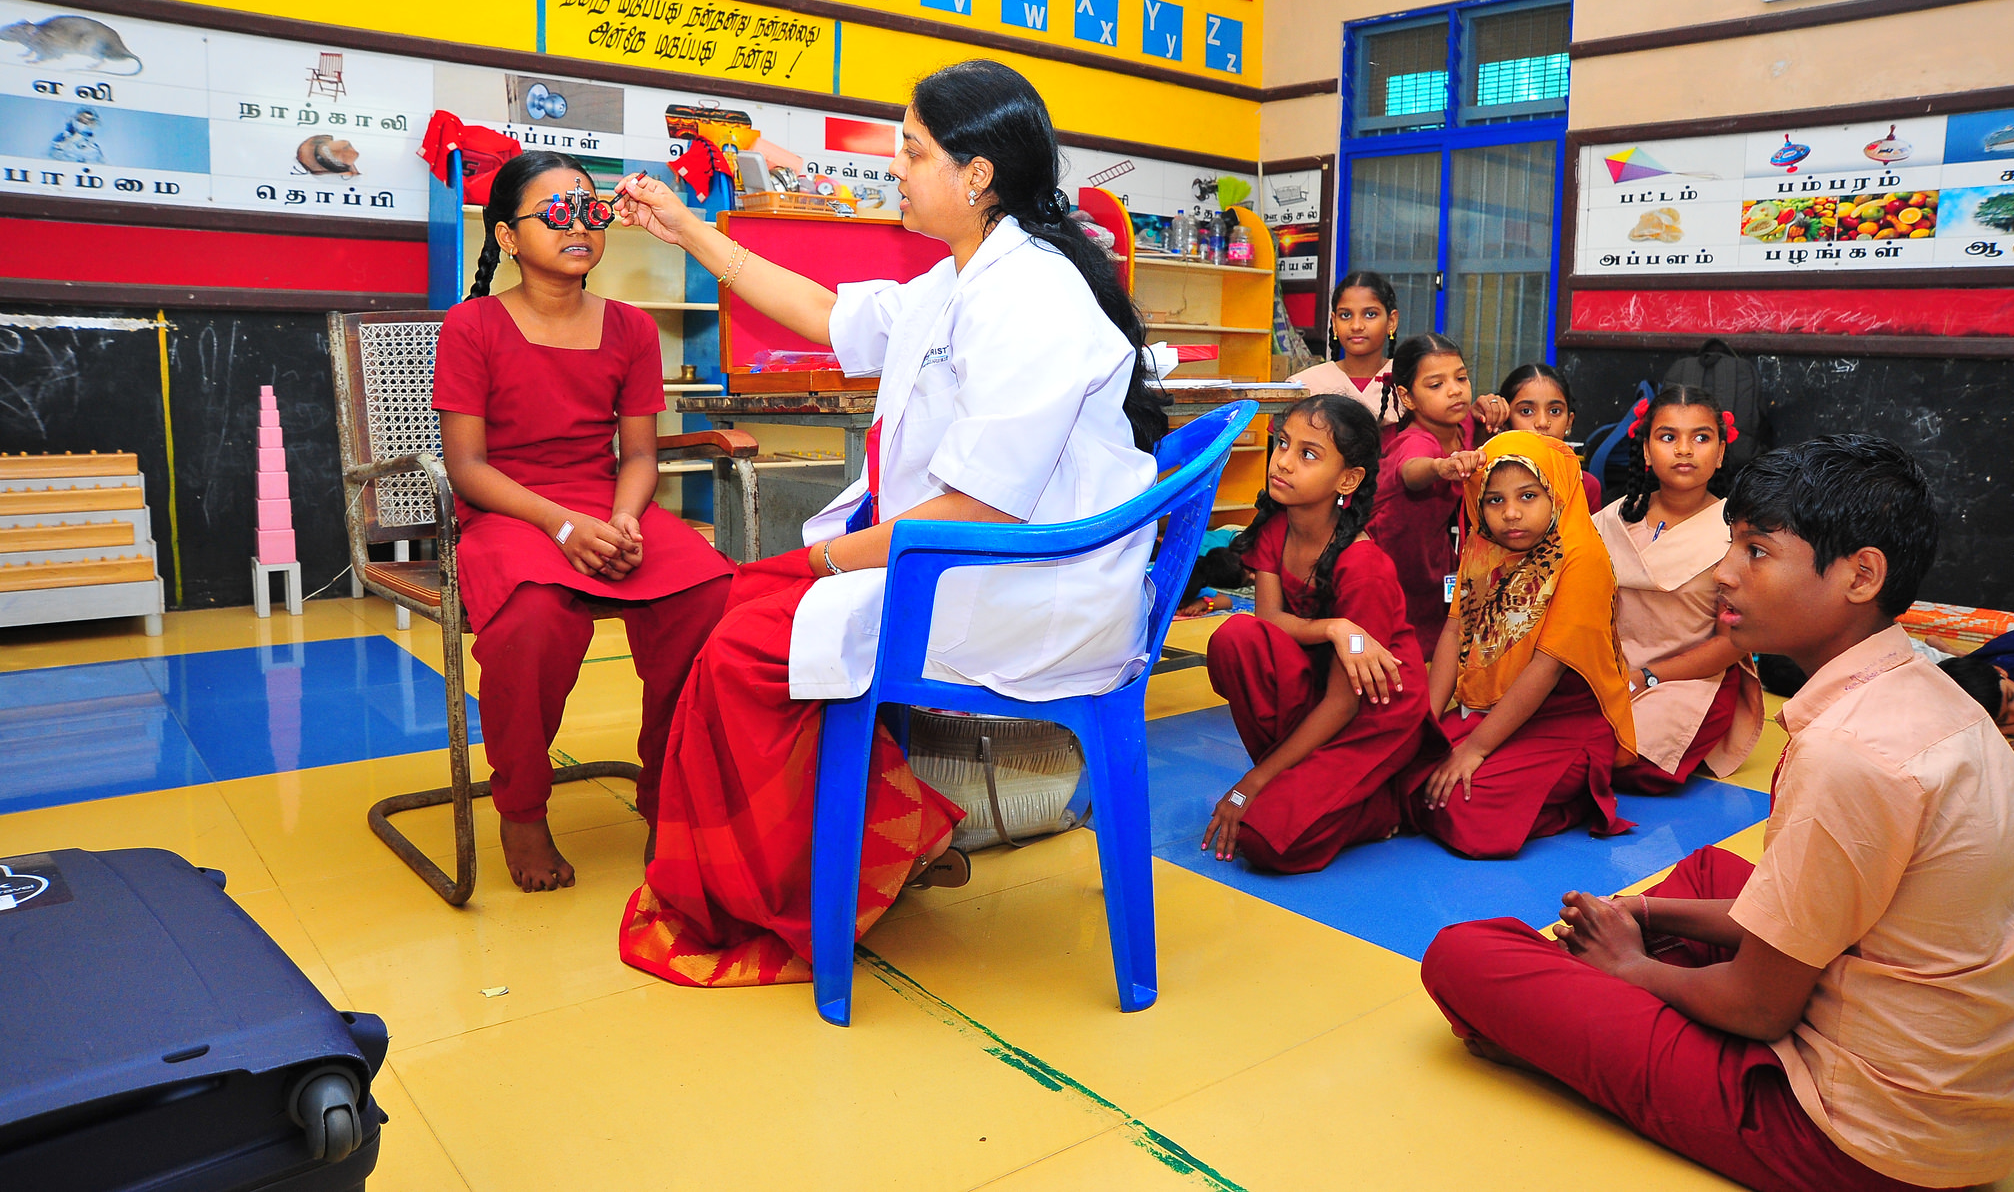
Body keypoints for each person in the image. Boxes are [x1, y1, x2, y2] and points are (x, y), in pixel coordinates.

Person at [614, 60, 1167, 988]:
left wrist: (822, 559)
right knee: (729, 610)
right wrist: (690, 229)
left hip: (1005, 574)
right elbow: (827, 312)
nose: (896, 170)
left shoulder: (1030, 297)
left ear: (976, 175)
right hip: (950, 552)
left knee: (742, 638)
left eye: (911, 152)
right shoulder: (962, 279)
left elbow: (978, 507)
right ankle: (874, 841)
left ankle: (802, 883)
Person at [1419, 434, 2014, 1192]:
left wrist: (1632, 965)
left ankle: (1579, 999)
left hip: (1853, 1136)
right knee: (1706, 871)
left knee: (1466, 956)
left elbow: (1758, 1009)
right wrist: (1649, 911)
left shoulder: (1849, 753)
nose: (1723, 574)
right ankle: (1610, 965)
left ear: (1861, 574)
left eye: (1756, 552)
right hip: (1966, 1110)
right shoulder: (1932, 690)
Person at [431, 151, 734, 893]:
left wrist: (625, 520)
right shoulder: (472, 326)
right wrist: (561, 526)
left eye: (592, 210)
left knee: (709, 595)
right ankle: (523, 808)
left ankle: (669, 787)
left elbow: (638, 454)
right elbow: (467, 467)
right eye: (556, 212)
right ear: (506, 235)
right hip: (509, 510)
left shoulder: (630, 326)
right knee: (535, 618)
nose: (579, 224)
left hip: (606, 501)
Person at [1199, 395, 1439, 872]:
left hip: (1373, 716)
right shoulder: (1276, 527)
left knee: (1264, 843)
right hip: (1318, 686)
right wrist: (1333, 627)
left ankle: (1379, 804)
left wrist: (1251, 784)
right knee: (1234, 639)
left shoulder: (1363, 565)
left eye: (1308, 454)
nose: (1283, 462)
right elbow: (1267, 620)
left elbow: (1345, 702)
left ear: (1347, 480)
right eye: (1283, 444)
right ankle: (1302, 786)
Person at [1400, 431, 1637, 858]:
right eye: (1494, 500)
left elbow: (1547, 667)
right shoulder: (1483, 547)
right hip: (1498, 709)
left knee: (1464, 810)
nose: (1511, 514)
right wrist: (1427, 728)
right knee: (1406, 770)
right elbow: (1455, 634)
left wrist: (1474, 749)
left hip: (1566, 721)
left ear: (1556, 492)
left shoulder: (1583, 558)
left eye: (1528, 496)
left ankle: (1575, 798)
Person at [1593, 385, 1763, 794]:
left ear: (1721, 452)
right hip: (1609, 673)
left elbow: (1732, 644)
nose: (1684, 449)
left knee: (1616, 757)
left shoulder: (1737, 535)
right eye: (1668, 437)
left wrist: (1646, 677)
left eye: (1701, 438)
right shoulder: (1610, 521)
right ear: (1647, 451)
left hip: (1689, 680)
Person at [1365, 334, 1507, 657]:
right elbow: (1411, 471)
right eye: (1436, 385)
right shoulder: (1416, 440)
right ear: (1407, 397)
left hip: (1440, 564)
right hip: (1396, 568)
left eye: (1460, 378)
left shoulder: (1464, 426)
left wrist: (1495, 406)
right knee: (1399, 650)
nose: (1455, 390)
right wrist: (1440, 467)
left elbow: (1485, 419)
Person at [1292, 272, 1400, 423]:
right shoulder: (1305, 386)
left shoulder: (1410, 383)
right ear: (1334, 323)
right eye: (1345, 315)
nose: (1356, 326)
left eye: (1370, 314)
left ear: (1391, 322)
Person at [1498, 362, 1601, 508]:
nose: (1542, 422)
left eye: (1554, 411)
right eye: (1526, 411)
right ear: (1505, 422)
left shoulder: (1586, 486)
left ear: (1569, 422)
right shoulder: (1489, 480)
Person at [1941, 632, 2014, 769]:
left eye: (2011, 697)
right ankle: (1952, 651)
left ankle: (1951, 651)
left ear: (2001, 672)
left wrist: (2006, 727)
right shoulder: (1983, 677)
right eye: (2005, 717)